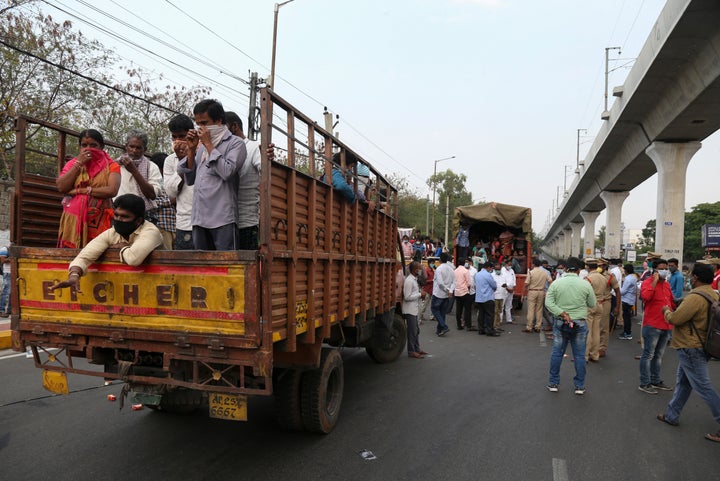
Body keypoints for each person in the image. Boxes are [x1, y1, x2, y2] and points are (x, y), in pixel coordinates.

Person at [657, 263, 720, 442]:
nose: (690, 278)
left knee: (703, 386)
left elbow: (677, 319)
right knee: (684, 383)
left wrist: (666, 311)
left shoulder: (695, 297)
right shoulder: (713, 293)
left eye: (691, 276)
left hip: (691, 347)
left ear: (696, 278)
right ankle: (671, 415)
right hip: (701, 344)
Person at [50, 194, 164, 292]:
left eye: (124, 217)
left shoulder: (151, 232)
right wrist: (74, 275)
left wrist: (121, 248)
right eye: (116, 215)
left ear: (138, 220)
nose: (118, 219)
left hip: (159, 284)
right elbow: (85, 255)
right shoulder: (112, 232)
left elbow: (133, 259)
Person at [178, 99, 246, 250]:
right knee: (203, 268)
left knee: (225, 266)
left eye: (204, 123)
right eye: (198, 124)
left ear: (219, 121)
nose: (200, 128)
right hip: (199, 217)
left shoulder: (235, 143)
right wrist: (191, 149)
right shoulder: (201, 147)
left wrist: (209, 144)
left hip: (223, 218)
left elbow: (227, 172)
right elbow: (190, 179)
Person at [56, 129, 121, 248]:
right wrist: (78, 164)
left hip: (100, 218)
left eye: (93, 145)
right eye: (84, 145)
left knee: (97, 252)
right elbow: (61, 187)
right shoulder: (72, 164)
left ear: (102, 146)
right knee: (71, 255)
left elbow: (112, 190)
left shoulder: (112, 166)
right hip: (73, 218)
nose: (88, 148)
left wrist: (81, 191)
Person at [545, 256, 596, 395]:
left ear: (565, 269)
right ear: (579, 270)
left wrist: (561, 313)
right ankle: (579, 386)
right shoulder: (585, 284)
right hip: (579, 323)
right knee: (579, 356)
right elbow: (592, 304)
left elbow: (548, 303)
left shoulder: (556, 284)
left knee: (557, 353)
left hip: (561, 322)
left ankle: (553, 383)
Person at [638, 258, 675, 394]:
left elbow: (671, 301)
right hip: (652, 324)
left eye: (666, 268)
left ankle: (655, 380)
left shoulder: (666, 285)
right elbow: (646, 297)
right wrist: (654, 280)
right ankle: (644, 383)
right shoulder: (647, 283)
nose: (665, 271)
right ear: (654, 270)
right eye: (662, 268)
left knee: (659, 355)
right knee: (648, 354)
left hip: (666, 324)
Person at [226, 111, 261, 250]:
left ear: (234, 126)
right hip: (223, 224)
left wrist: (268, 157)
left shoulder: (253, 148)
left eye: (223, 128)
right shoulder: (222, 150)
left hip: (246, 223)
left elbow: (266, 174)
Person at [115, 130, 164, 221]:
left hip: (142, 216)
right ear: (126, 147)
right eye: (131, 146)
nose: (134, 150)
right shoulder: (116, 165)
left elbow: (152, 195)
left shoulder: (152, 167)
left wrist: (134, 171)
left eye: (138, 148)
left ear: (144, 149)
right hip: (118, 214)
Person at [163, 114, 195, 250]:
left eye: (181, 136)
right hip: (184, 222)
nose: (177, 141)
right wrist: (183, 161)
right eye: (174, 137)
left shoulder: (204, 153)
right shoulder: (170, 160)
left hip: (207, 222)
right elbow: (171, 192)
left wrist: (189, 157)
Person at [584, 257, 620, 361]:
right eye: (598, 265)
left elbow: (617, 291)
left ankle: (602, 348)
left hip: (605, 302)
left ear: (605, 266)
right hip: (599, 303)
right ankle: (594, 351)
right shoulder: (599, 277)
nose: (600, 267)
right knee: (595, 329)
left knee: (603, 327)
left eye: (601, 266)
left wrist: (617, 307)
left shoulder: (609, 276)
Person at [149, 152, 176, 250]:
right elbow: (152, 203)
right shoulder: (151, 182)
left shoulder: (168, 181)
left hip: (173, 225)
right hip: (162, 226)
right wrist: (172, 201)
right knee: (166, 257)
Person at [403, 261, 429, 359]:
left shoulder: (415, 279)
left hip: (415, 309)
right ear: (415, 270)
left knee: (416, 330)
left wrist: (420, 295)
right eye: (419, 268)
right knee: (412, 331)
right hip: (410, 310)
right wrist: (419, 294)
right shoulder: (409, 281)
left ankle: (417, 348)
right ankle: (411, 351)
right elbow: (407, 297)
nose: (421, 270)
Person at [523, 258, 553, 333]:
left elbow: (526, 283)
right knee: (539, 310)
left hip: (532, 291)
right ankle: (538, 327)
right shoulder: (544, 272)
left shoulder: (531, 272)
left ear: (533, 264)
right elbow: (550, 281)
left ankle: (529, 327)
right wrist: (548, 291)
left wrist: (524, 291)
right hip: (541, 292)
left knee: (531, 310)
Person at [431, 252, 454, 337]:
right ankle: (439, 329)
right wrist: (450, 290)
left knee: (434, 310)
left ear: (440, 259)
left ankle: (443, 326)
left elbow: (440, 283)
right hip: (446, 295)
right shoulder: (451, 269)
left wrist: (447, 290)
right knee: (442, 312)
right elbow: (453, 282)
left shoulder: (439, 269)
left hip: (438, 294)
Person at [475, 261, 499, 336]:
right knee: (489, 315)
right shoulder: (488, 275)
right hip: (488, 297)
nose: (491, 269)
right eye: (490, 268)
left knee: (481, 314)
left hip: (479, 297)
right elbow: (494, 285)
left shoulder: (477, 274)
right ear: (488, 267)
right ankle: (489, 330)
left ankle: (481, 329)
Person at [618, 263, 638, 340]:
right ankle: (627, 332)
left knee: (626, 318)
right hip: (630, 299)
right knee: (627, 317)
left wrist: (616, 290)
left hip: (626, 300)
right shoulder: (633, 277)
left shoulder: (628, 279)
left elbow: (623, 291)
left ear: (626, 270)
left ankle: (627, 333)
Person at [453, 258, 473, 330]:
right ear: (464, 263)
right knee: (467, 309)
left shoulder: (455, 271)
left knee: (459, 310)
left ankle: (459, 325)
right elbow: (469, 283)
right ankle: (468, 325)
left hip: (457, 292)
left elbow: (454, 281)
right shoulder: (466, 271)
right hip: (464, 291)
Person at [490, 261, 507, 332]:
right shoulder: (491, 275)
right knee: (495, 311)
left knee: (499, 311)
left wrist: (506, 285)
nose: (498, 270)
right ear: (494, 268)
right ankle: (494, 326)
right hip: (495, 296)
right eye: (496, 269)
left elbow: (506, 283)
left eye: (499, 268)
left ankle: (497, 325)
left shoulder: (503, 275)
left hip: (502, 295)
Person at [501, 258, 516, 323]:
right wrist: (507, 289)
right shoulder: (502, 271)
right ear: (506, 264)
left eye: (511, 265)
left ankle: (509, 319)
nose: (510, 266)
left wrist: (513, 288)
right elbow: (501, 282)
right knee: (501, 306)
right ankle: (500, 320)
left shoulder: (511, 270)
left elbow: (514, 280)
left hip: (511, 290)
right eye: (509, 265)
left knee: (509, 306)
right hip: (504, 290)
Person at [0, 244, 10, 317]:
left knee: (12, 293)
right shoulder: (4, 249)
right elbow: (3, 260)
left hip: (13, 272)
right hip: (7, 272)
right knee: (6, 292)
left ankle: (9, 310)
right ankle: (1, 310)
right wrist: (13, 258)